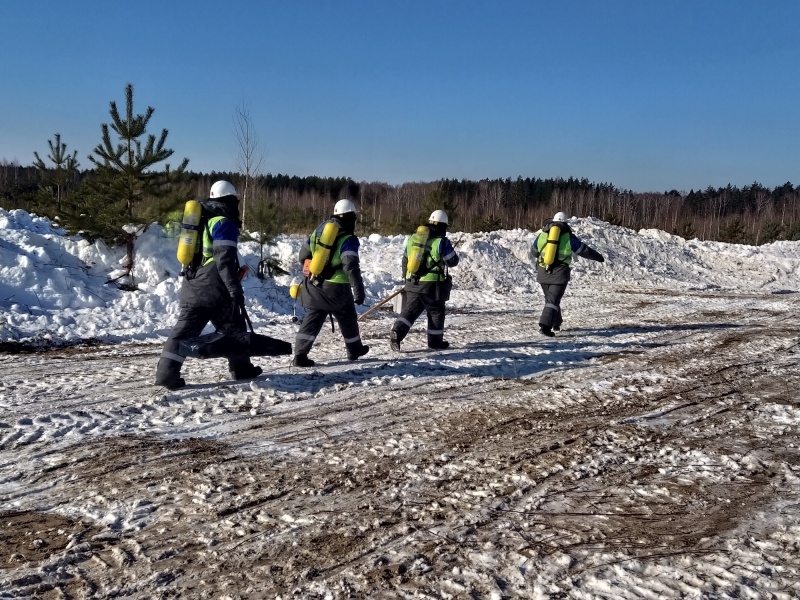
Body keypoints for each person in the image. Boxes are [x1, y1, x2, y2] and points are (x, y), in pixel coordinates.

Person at [155, 180, 262, 389]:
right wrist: (235, 289)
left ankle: (166, 375)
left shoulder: (200, 219)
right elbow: (224, 260)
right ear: (230, 200)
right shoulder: (223, 223)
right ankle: (241, 369)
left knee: (183, 332)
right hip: (214, 288)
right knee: (234, 325)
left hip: (191, 283)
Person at [292, 199, 369, 367]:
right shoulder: (348, 239)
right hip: (337, 289)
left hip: (314, 285)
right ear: (350, 218)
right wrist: (359, 291)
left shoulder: (318, 231)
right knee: (347, 317)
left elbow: (302, 254)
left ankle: (299, 355)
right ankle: (354, 349)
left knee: (312, 318)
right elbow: (351, 265)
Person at [390, 210, 459, 351]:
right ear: (443, 225)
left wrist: (407, 279)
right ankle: (435, 343)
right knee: (436, 312)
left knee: (410, 311)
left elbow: (405, 260)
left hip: (413, 283)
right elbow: (452, 261)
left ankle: (397, 331)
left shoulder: (413, 239)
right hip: (433, 286)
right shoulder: (442, 242)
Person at [531, 211, 604, 337]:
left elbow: (534, 252)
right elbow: (583, 250)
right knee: (552, 300)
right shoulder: (568, 237)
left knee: (551, 300)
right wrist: (598, 257)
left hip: (543, 273)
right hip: (559, 274)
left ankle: (556, 323)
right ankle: (545, 327)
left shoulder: (542, 235)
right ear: (565, 223)